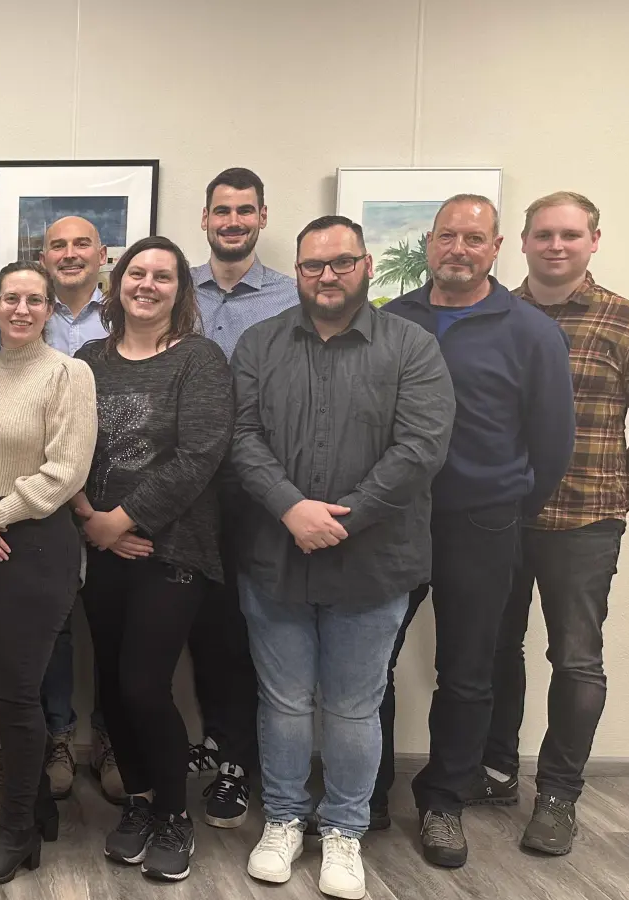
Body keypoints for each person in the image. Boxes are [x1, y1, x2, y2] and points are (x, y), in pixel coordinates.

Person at [233, 216, 454, 900]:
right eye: (312, 265)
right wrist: (290, 508)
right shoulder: (260, 343)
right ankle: (284, 819)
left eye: (341, 262)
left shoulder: (411, 346)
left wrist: (340, 518)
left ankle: (343, 829)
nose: (326, 276)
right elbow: (240, 436)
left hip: (373, 560)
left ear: (366, 265)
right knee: (283, 701)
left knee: (356, 707)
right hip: (275, 554)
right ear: (297, 272)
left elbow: (421, 448)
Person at [376, 194, 576, 868]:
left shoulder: (531, 332)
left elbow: (552, 444)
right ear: (429, 243)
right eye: (446, 236)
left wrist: (507, 501)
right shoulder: (393, 320)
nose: (457, 249)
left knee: (467, 670)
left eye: (473, 238)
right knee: (369, 660)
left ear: (496, 247)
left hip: (482, 522)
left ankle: (444, 800)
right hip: (394, 519)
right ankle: (368, 791)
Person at [481, 192, 629, 856]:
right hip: (497, 517)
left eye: (571, 235)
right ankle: (496, 771)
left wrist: (614, 498)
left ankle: (557, 796)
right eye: (545, 234)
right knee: (493, 648)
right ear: (523, 242)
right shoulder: (495, 316)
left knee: (577, 660)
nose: (557, 246)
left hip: (583, 522)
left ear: (594, 241)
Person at [71, 236, 232, 883]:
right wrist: (93, 522)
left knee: (144, 684)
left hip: (173, 550)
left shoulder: (199, 359)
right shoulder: (88, 359)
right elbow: (67, 447)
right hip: (101, 547)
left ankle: (173, 815)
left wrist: (122, 519)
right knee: (112, 686)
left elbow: (200, 457)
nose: (147, 284)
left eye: (163, 276)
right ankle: (138, 801)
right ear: (117, 284)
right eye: (136, 273)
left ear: (180, 291)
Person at [0, 260, 96, 886]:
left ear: (50, 308)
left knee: (14, 691)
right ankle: (34, 813)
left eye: (35, 300)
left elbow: (67, 472)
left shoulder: (69, 373)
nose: (22, 309)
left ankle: (15, 835)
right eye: (11, 298)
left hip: (35, 544)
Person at [185, 167, 296, 829]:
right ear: (205, 218)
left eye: (244, 211)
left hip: (257, 487)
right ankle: (220, 740)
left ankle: (238, 763)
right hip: (186, 487)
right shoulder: (177, 289)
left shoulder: (290, 297)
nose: (232, 221)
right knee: (201, 626)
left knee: (252, 627)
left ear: (262, 217)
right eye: (221, 211)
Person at [36, 215, 114, 802]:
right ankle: (59, 737)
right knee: (54, 630)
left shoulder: (126, 315)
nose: (69, 254)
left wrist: (104, 513)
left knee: (114, 631)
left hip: (116, 511)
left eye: (81, 243)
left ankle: (111, 738)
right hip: (44, 505)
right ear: (43, 257)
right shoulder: (26, 315)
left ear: (102, 254)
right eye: (57, 245)